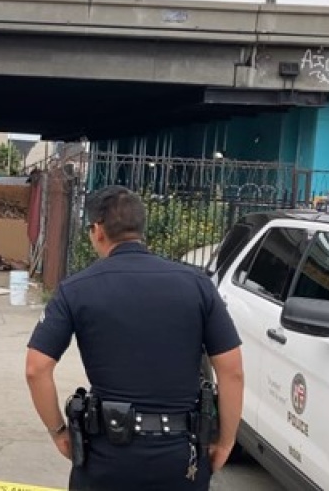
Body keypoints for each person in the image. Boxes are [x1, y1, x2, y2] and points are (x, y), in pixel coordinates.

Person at [25, 185, 244, 491]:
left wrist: (59, 432)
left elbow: (36, 368)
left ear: (98, 230)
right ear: (141, 229)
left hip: (106, 458)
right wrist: (226, 440)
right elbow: (231, 371)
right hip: (180, 458)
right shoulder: (197, 285)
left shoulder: (76, 289)